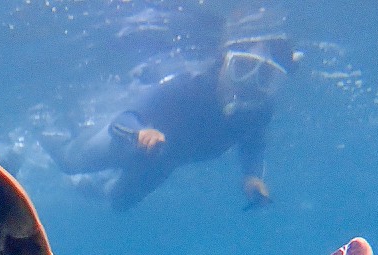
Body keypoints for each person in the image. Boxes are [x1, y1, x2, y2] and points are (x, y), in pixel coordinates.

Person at [43, 12, 295, 212]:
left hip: (164, 161)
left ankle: (90, 186)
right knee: (70, 162)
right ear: (222, 65)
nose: (248, 82)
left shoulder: (255, 114)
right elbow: (122, 119)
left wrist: (252, 177)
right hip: (127, 142)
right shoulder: (187, 87)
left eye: (265, 76)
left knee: (118, 203)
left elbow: (253, 144)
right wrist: (141, 132)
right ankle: (43, 133)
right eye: (241, 68)